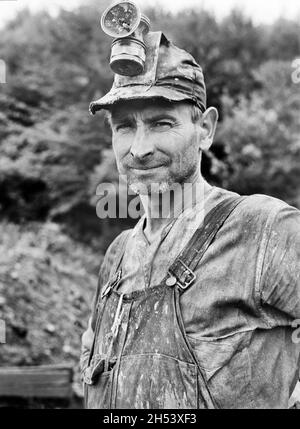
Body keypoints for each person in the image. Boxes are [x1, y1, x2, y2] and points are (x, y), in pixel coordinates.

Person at [80, 29, 300, 409]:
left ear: (205, 130)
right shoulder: (117, 255)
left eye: (162, 123)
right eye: (125, 126)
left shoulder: (263, 229)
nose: (140, 148)